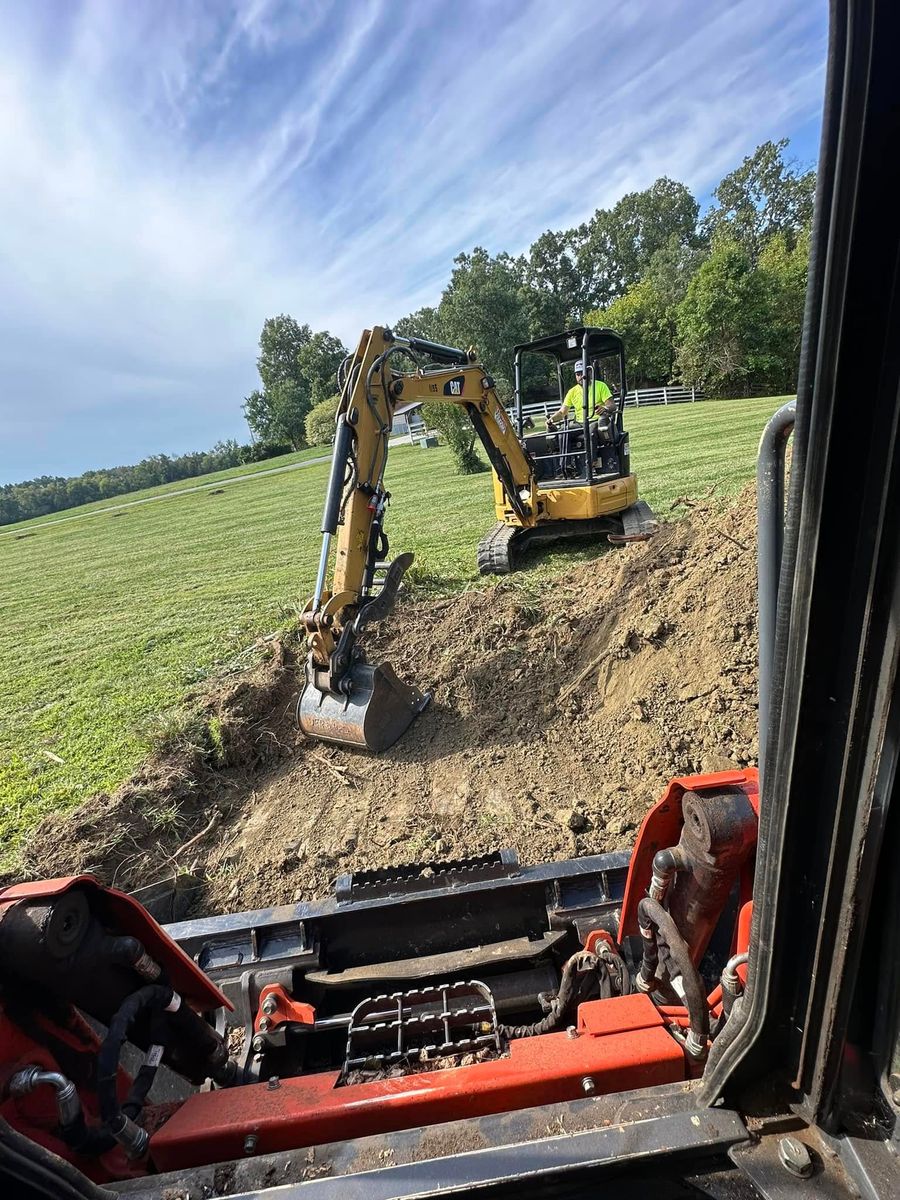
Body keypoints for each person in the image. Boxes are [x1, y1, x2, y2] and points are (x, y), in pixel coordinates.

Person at [548, 359, 615, 427]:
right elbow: (562, 412)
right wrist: (552, 419)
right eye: (578, 374)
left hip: (596, 421)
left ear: (589, 372)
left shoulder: (600, 386)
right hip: (579, 423)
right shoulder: (572, 392)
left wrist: (605, 408)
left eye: (583, 373)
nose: (581, 377)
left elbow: (612, 406)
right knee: (563, 434)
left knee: (591, 430)